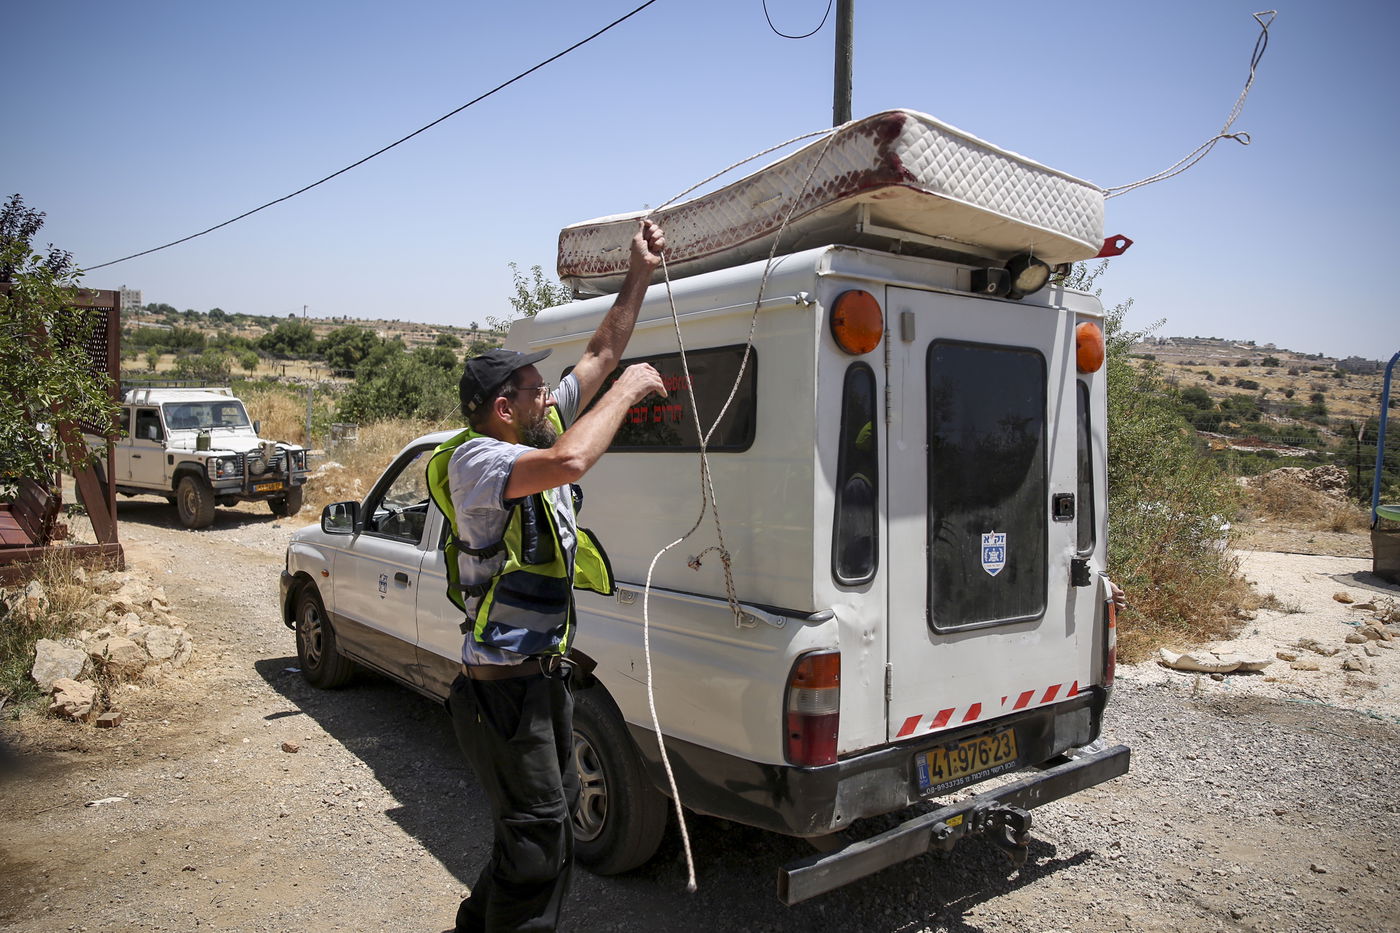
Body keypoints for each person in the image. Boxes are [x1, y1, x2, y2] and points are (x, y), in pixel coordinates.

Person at [436, 219, 667, 933]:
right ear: (503, 408)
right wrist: (628, 392)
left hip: (541, 683)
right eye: (538, 391)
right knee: (538, 846)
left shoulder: (530, 430)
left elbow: (601, 351)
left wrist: (639, 272)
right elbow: (571, 461)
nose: (552, 396)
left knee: (543, 832)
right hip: (500, 697)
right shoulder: (479, 460)